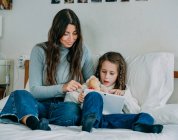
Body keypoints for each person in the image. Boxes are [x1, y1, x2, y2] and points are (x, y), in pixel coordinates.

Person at [0, 8, 94, 130]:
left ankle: (31, 118)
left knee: (73, 111)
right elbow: (34, 90)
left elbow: (91, 82)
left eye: (75, 33)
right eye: (66, 33)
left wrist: (85, 92)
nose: (71, 38)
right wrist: (63, 87)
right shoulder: (39, 50)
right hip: (39, 104)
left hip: (65, 106)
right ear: (57, 31)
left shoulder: (83, 51)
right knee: (19, 94)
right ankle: (34, 122)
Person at [65, 51, 163, 133]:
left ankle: (142, 126)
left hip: (111, 120)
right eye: (104, 72)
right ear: (99, 71)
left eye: (111, 73)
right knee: (94, 95)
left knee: (146, 116)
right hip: (90, 117)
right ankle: (89, 122)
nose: (107, 76)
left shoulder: (123, 90)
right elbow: (68, 97)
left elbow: (134, 111)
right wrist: (78, 98)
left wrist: (124, 97)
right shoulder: (92, 83)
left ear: (118, 74)